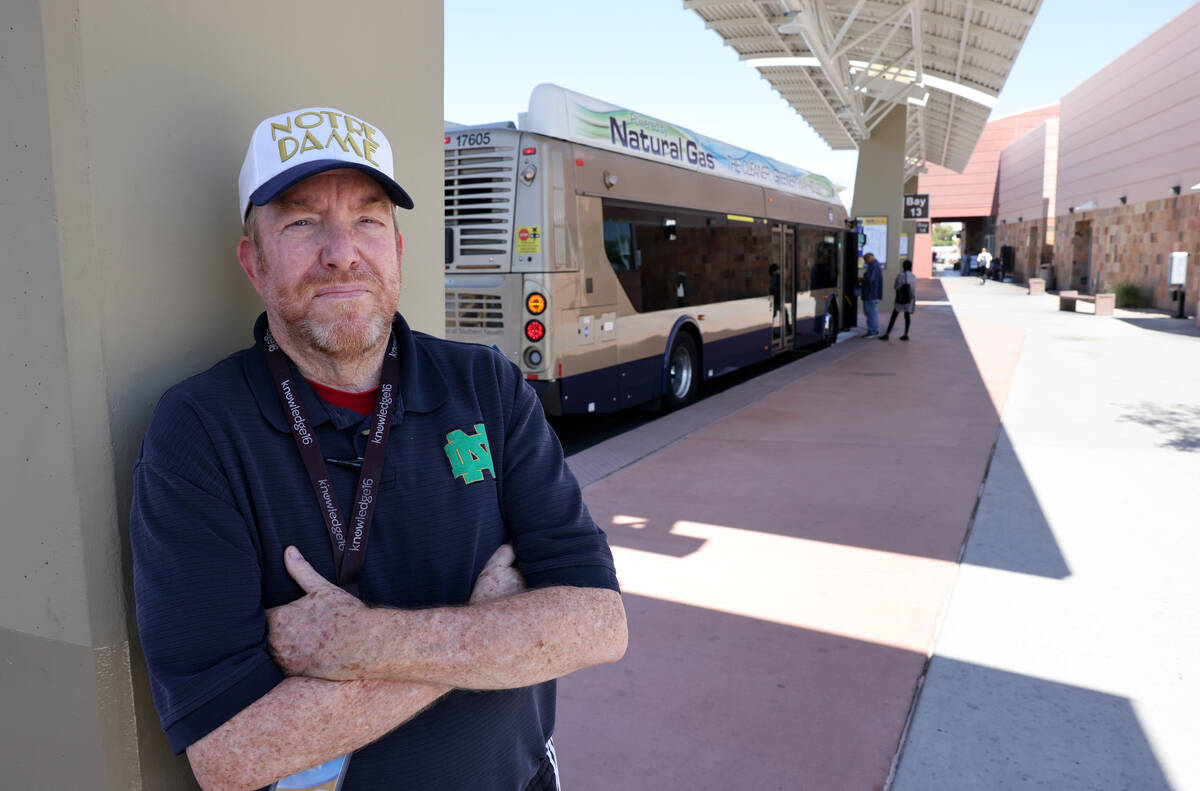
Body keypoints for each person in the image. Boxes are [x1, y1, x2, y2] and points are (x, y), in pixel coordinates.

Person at [130, 106, 628, 791]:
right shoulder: (199, 431)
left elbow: (598, 621)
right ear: (254, 261)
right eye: (301, 221)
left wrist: (360, 644)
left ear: (397, 246)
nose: (341, 250)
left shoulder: (487, 386)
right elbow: (229, 751)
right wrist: (486, 631)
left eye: (367, 218)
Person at [879, 259, 917, 341]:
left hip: (901, 299)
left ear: (903, 266)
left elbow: (896, 287)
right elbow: (913, 289)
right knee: (907, 316)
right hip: (910, 299)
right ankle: (906, 334)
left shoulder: (901, 275)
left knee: (894, 316)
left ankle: (887, 334)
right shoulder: (913, 276)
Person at [860, 253, 883, 337]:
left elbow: (870, 279)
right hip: (873, 293)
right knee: (872, 313)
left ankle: (872, 331)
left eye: (866, 260)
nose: (866, 262)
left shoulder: (874, 266)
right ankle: (874, 330)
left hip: (870, 294)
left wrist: (861, 279)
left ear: (870, 258)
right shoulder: (875, 265)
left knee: (870, 313)